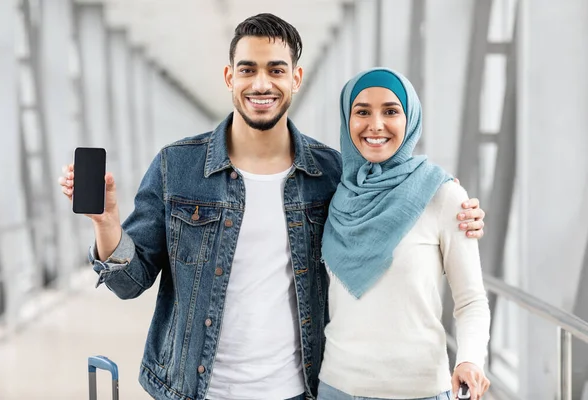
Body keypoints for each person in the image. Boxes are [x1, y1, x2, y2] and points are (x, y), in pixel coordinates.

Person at [58, 14, 486, 400]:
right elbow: (128, 283)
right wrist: (107, 223)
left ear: (296, 78)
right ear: (229, 76)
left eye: (276, 70)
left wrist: (454, 206)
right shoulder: (177, 166)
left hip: (299, 391)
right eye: (248, 69)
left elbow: (387, 193)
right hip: (193, 391)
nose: (261, 83)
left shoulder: (330, 174)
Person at [317, 67, 491, 400]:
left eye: (391, 111)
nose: (376, 124)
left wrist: (469, 359)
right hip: (336, 387)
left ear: (409, 118)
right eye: (362, 111)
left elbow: (471, 301)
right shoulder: (332, 194)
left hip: (420, 390)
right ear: (346, 118)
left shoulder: (443, 195)